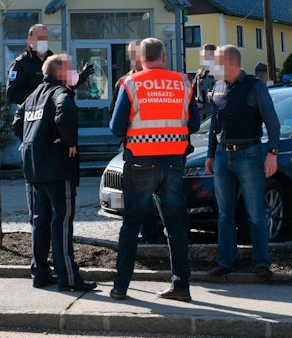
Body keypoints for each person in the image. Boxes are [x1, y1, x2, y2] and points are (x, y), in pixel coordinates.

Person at [108, 37, 199, 301]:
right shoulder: (183, 82)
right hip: (172, 162)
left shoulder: (131, 83)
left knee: (131, 225)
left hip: (140, 162)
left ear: (140, 59)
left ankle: (120, 287)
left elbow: (115, 128)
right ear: (164, 56)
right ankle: (181, 286)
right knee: (175, 226)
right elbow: (193, 124)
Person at [12, 54, 97, 292]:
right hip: (58, 166)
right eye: (70, 69)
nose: (73, 74)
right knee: (62, 221)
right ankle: (68, 277)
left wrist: (35, 140)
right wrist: (68, 141)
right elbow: (66, 111)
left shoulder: (32, 96)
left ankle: (40, 273)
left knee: (41, 220)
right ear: (60, 72)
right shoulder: (61, 93)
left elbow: (17, 124)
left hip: (34, 167)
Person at [205, 45, 280, 281]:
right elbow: (214, 124)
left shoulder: (254, 86)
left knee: (255, 212)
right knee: (225, 214)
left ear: (230, 63)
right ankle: (225, 261)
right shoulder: (218, 87)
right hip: (221, 157)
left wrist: (273, 153)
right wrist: (210, 154)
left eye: (217, 62)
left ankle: (262, 263)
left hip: (249, 154)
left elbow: (273, 122)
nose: (213, 67)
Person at [110, 40, 164, 244]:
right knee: (140, 198)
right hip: (136, 149)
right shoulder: (124, 83)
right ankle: (150, 235)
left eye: (138, 53)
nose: (136, 57)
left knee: (163, 196)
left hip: (162, 148)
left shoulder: (159, 80)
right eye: (132, 54)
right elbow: (115, 116)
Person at [6, 23, 94, 105]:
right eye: (40, 38)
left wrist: (82, 76)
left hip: (53, 113)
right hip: (32, 114)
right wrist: (41, 94)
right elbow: (12, 95)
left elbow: (66, 86)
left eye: (45, 38)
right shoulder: (22, 63)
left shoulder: (53, 60)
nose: (43, 42)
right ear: (30, 40)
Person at [192, 44, 220, 120]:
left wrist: (215, 95)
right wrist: (196, 101)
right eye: (204, 56)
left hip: (217, 113)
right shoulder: (200, 73)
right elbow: (192, 91)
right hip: (202, 115)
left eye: (207, 56)